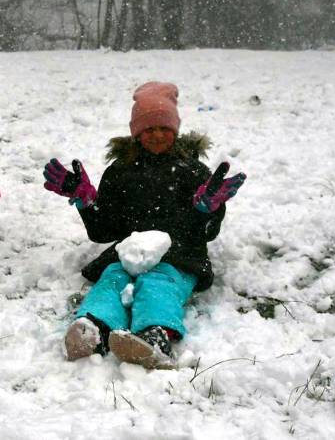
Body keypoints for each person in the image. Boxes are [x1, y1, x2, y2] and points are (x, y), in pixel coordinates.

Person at [43, 82, 246, 368]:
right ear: (137, 132)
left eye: (164, 128)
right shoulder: (121, 172)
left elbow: (206, 233)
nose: (158, 135)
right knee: (111, 280)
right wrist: (86, 202)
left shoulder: (192, 171)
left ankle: (155, 334)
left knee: (157, 284)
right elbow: (104, 231)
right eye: (149, 129)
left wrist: (209, 210)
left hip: (180, 255)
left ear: (175, 131)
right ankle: (93, 329)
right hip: (128, 253)